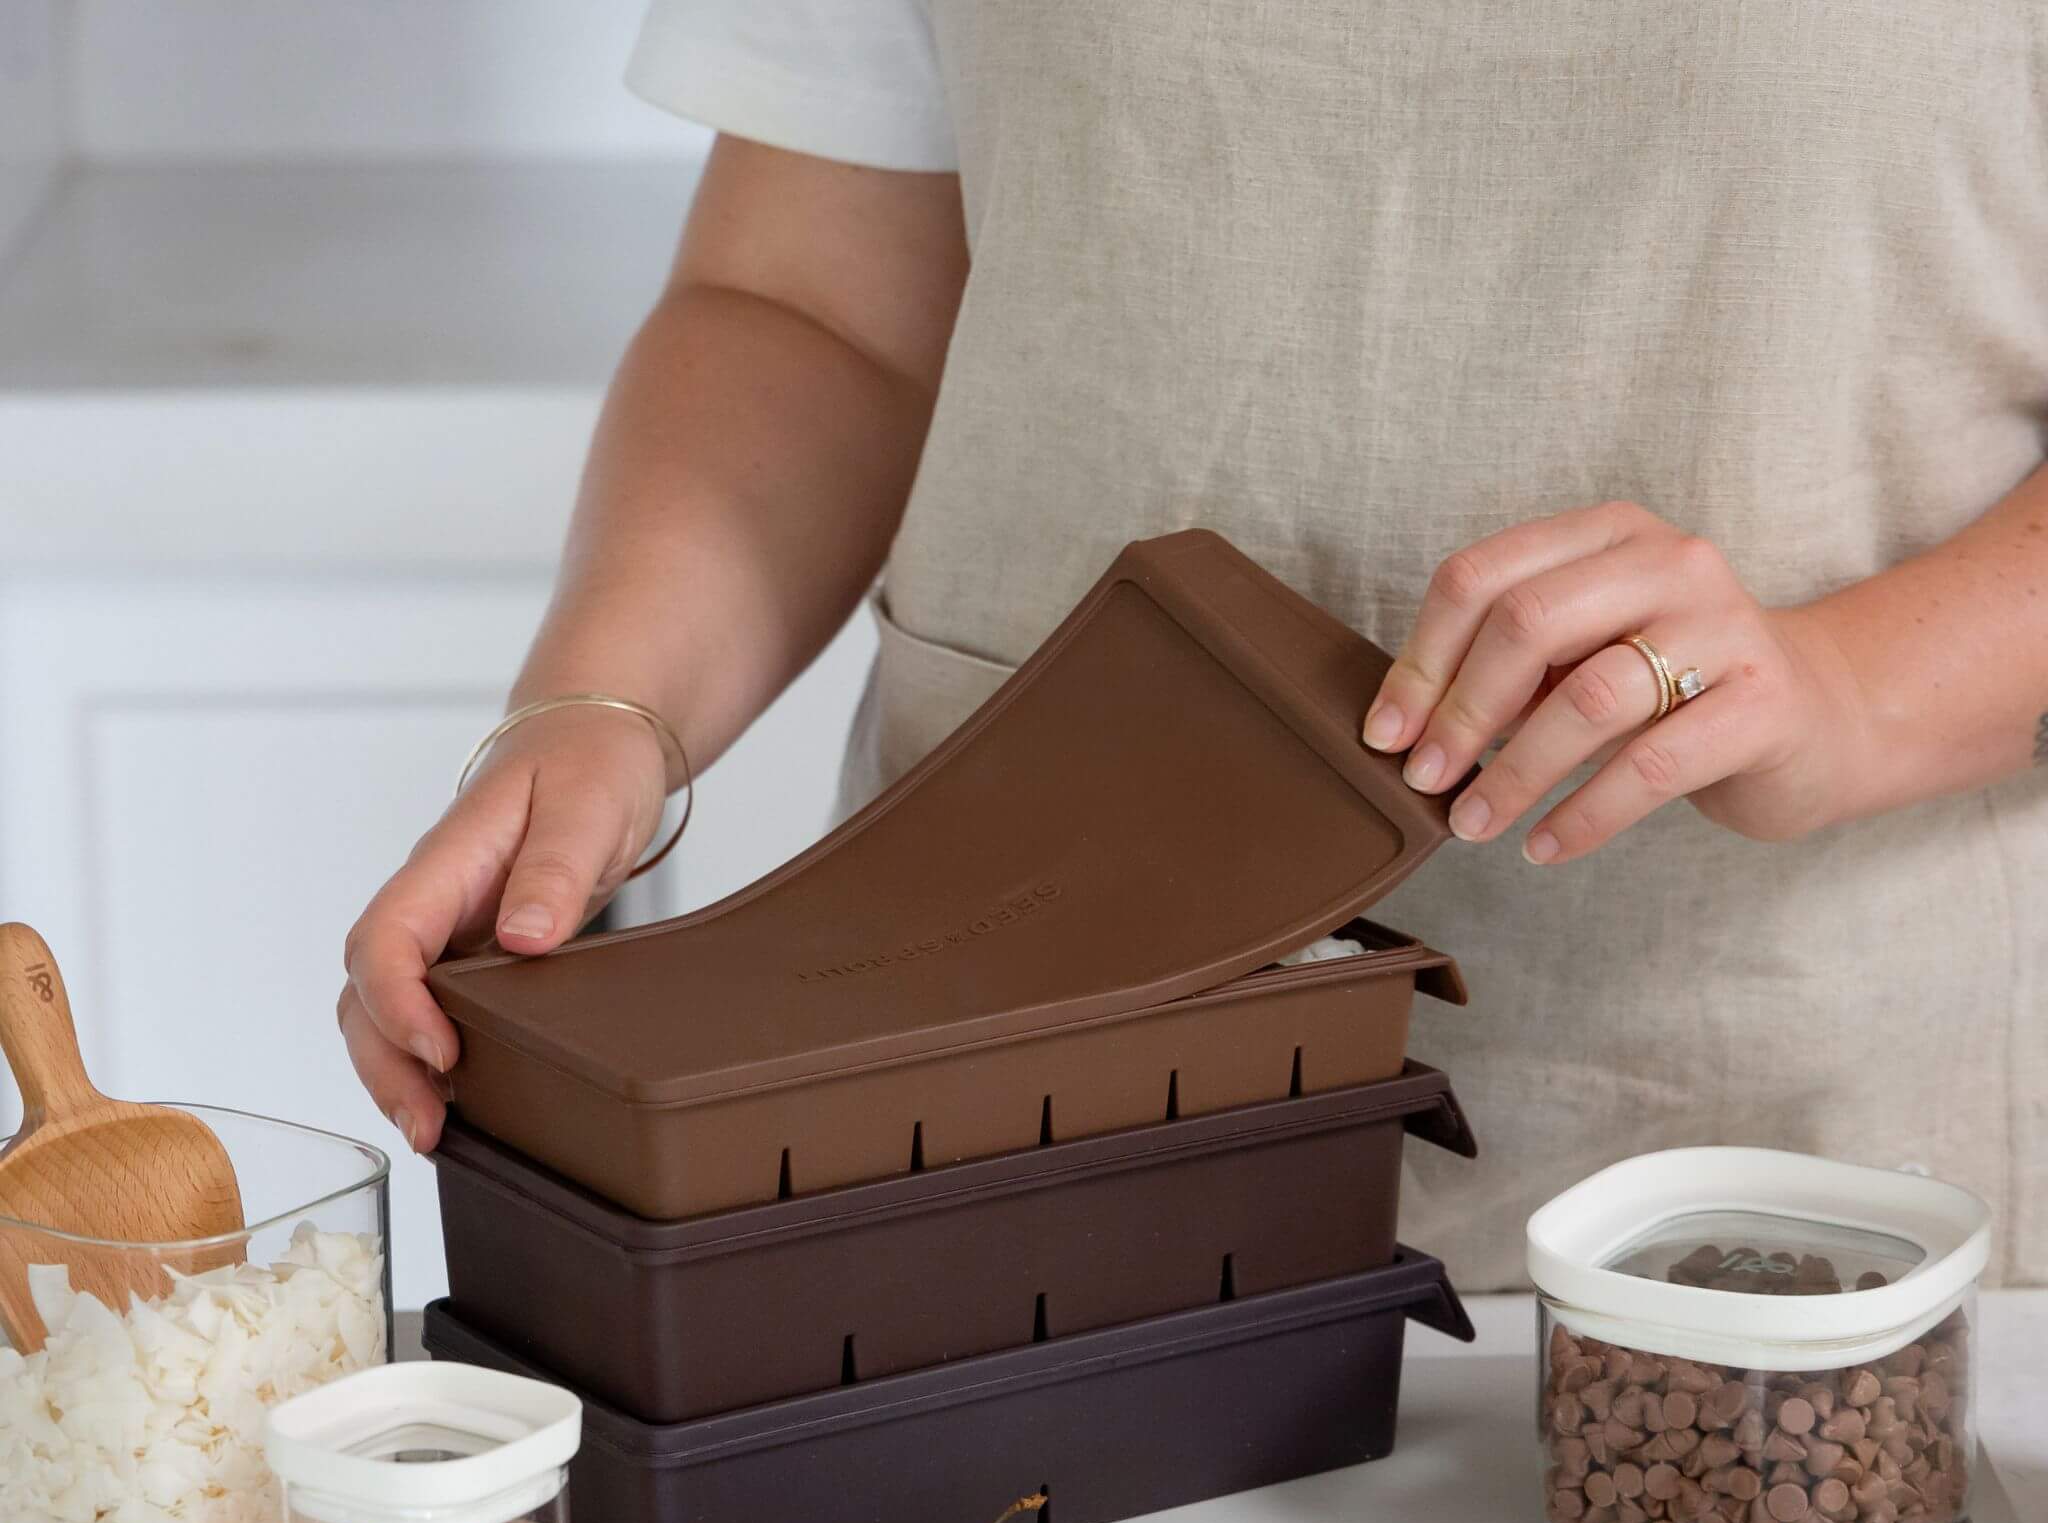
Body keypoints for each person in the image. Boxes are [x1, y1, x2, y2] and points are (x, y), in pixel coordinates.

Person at [340, 2, 2047, 1289]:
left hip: (1812, 1153)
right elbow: (816, 307)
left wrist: (1853, 687)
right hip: (1012, 1091)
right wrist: (605, 708)